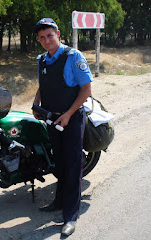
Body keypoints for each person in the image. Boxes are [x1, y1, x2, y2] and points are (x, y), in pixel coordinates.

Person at [32, 18, 93, 236]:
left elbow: (86, 90)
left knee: (73, 165)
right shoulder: (41, 60)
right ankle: (58, 201)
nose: (47, 40)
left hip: (72, 119)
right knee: (58, 163)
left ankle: (70, 216)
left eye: (50, 35)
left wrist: (68, 114)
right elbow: (43, 85)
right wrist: (36, 104)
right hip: (51, 119)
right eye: (42, 37)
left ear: (58, 33)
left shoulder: (73, 56)